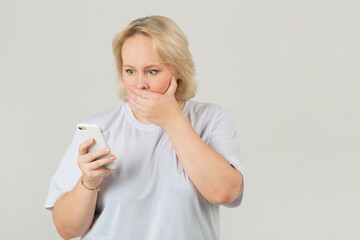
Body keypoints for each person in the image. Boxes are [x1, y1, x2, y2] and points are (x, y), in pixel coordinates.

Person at [45, 15, 245, 240]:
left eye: (152, 71)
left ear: (177, 69)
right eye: (130, 71)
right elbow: (66, 230)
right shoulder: (100, 127)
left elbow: (225, 192)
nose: (139, 84)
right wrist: (88, 182)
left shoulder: (210, 120)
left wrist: (172, 120)